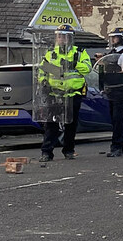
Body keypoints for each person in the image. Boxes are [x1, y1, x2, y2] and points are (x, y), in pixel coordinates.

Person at [38, 25, 91, 162]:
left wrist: (73, 64)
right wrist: (44, 82)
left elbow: (87, 69)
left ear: (70, 38)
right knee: (51, 124)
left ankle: (68, 150)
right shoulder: (50, 53)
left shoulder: (79, 53)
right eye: (59, 36)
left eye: (64, 36)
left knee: (70, 125)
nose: (61, 39)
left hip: (73, 94)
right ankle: (46, 152)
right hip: (55, 94)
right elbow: (43, 71)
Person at [104, 27, 123, 157]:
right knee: (117, 119)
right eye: (111, 37)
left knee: (118, 119)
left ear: (122, 39)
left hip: (121, 89)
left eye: (115, 37)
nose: (112, 39)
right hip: (112, 89)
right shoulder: (112, 53)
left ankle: (116, 146)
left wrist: (113, 74)